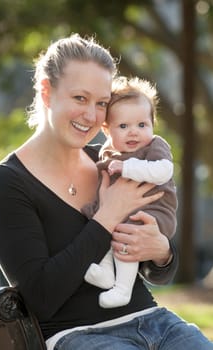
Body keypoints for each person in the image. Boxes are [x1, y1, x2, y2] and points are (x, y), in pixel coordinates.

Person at [0, 33, 212, 350]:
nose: (91, 116)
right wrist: (106, 217)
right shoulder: (7, 183)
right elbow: (41, 298)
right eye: (80, 98)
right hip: (78, 336)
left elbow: (154, 271)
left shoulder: (108, 160)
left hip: (154, 322)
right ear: (47, 92)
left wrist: (161, 251)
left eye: (101, 103)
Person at [83, 75, 178, 309]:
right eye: (123, 126)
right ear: (107, 130)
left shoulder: (155, 146)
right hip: (126, 212)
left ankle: (122, 289)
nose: (133, 132)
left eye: (142, 125)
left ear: (152, 124)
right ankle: (106, 271)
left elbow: (163, 171)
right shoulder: (107, 152)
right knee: (99, 223)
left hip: (154, 213)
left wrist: (128, 167)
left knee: (126, 231)